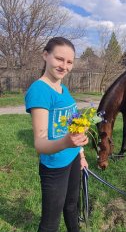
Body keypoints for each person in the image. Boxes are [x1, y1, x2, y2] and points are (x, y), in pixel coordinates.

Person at [25, 37, 88, 232]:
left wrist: (81, 154)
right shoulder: (39, 90)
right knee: (50, 224)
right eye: (59, 59)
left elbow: (75, 124)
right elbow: (40, 143)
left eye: (69, 62)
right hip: (54, 166)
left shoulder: (64, 89)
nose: (64, 66)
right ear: (45, 55)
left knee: (71, 206)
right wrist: (67, 142)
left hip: (73, 159)